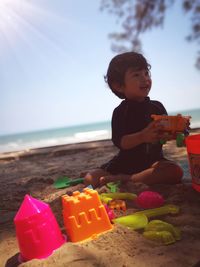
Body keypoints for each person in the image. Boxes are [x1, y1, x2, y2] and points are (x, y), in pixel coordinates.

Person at [84, 51, 183, 188]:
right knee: (90, 178)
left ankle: (128, 179)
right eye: (136, 75)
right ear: (119, 86)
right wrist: (143, 136)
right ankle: (129, 177)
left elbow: (165, 135)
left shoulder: (157, 107)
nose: (145, 79)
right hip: (125, 163)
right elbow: (121, 142)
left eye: (146, 73)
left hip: (153, 162)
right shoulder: (120, 112)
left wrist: (178, 133)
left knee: (175, 171)